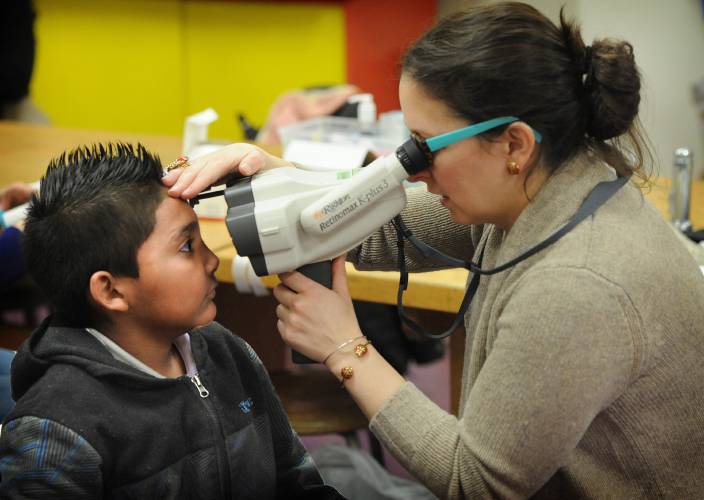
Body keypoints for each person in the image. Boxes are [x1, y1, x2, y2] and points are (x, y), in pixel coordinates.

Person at [164, 2, 704, 498]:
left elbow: (476, 483)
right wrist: (278, 178)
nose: (413, 169)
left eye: (426, 146)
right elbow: (389, 228)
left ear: (513, 144)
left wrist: (347, 349)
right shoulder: (552, 186)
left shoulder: (576, 285)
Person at [0, 144, 343, 499]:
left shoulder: (225, 350)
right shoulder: (57, 431)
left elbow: (295, 479)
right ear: (111, 290)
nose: (212, 261)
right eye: (186, 247)